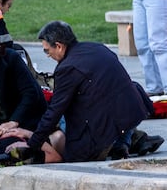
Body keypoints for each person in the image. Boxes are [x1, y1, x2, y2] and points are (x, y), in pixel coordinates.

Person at [15, 21, 151, 162]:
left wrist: (33, 143)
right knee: (124, 96)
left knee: (64, 119)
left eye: (47, 50)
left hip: (101, 130)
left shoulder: (66, 68)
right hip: (132, 111)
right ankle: (124, 143)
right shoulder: (98, 48)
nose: (47, 55)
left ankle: (120, 143)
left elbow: (55, 110)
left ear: (59, 46)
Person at [0, 28, 63, 164]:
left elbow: (30, 93)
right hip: (0, 124)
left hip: (25, 119)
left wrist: (14, 121)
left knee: (9, 144)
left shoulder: (10, 58)